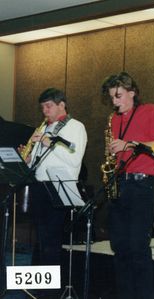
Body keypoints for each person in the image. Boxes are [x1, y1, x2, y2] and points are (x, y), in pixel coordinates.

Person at [101, 71, 154, 299]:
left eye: (118, 96)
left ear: (132, 93)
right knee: (119, 247)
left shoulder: (152, 111)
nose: (115, 101)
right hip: (119, 184)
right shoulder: (115, 119)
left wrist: (128, 144)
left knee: (138, 247)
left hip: (141, 186)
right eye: (112, 97)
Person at [25, 88, 87, 297]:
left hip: (59, 189)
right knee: (41, 242)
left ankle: (49, 294)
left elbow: (74, 158)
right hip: (40, 188)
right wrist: (27, 157)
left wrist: (49, 143)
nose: (45, 111)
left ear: (62, 105)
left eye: (48, 106)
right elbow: (37, 163)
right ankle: (39, 290)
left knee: (51, 244)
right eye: (42, 107)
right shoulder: (45, 128)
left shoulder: (75, 127)